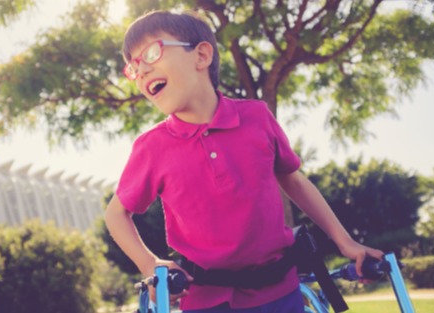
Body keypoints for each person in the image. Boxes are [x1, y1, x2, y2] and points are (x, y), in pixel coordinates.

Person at [105, 9, 384, 313]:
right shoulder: (151, 148)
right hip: (205, 300)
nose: (141, 71)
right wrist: (150, 264)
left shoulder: (257, 117)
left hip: (280, 290)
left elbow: (293, 179)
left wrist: (346, 242)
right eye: (133, 66)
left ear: (201, 56)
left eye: (151, 53)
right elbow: (116, 214)